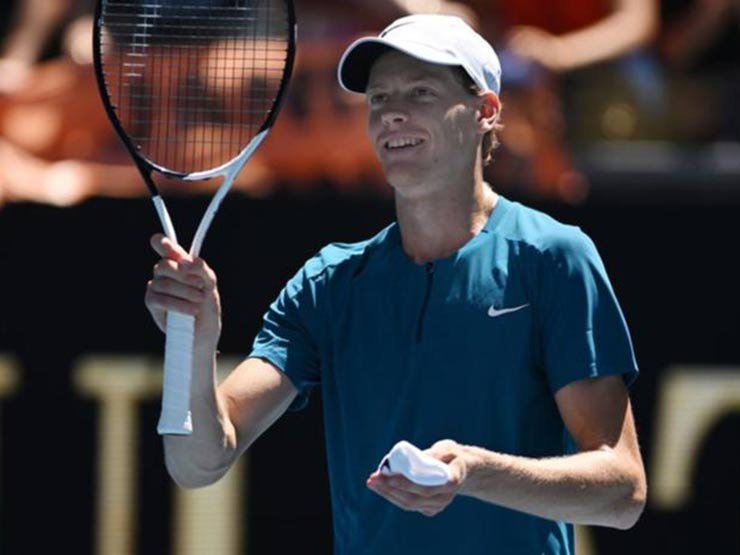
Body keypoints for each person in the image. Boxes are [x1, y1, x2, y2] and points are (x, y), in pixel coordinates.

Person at [145, 14, 646, 554]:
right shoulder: (328, 284)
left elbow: (623, 490)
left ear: (485, 112)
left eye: (421, 92)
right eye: (379, 98)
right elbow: (198, 464)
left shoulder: (554, 258)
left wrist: (474, 472)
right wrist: (193, 348)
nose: (392, 113)